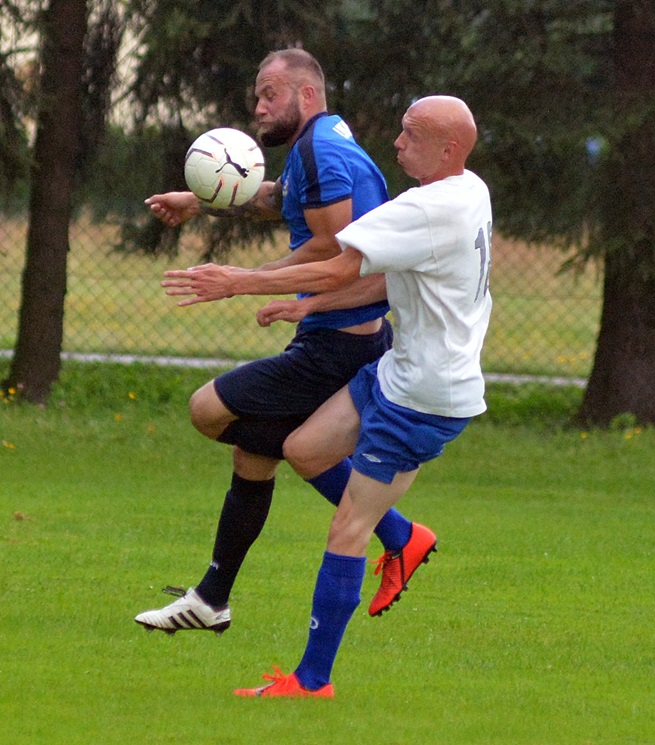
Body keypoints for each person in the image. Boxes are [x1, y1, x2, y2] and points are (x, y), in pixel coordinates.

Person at [161, 94, 492, 698]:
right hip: (398, 367)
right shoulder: (471, 188)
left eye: (410, 134)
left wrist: (238, 282)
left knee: (346, 531)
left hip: (423, 396)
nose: (396, 143)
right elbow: (388, 277)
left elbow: (341, 266)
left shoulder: (425, 207)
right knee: (305, 449)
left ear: (447, 149)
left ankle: (312, 680)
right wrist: (306, 306)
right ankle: (406, 537)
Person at [136, 49, 435, 636]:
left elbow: (332, 249)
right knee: (260, 454)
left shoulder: (321, 149)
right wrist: (200, 201)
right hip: (351, 336)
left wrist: (240, 282)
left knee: (208, 410)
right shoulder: (321, 143)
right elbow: (283, 199)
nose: (258, 107)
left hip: (337, 345)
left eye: (269, 93)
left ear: (306, 95)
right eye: (257, 95)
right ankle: (211, 599)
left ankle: (399, 533)